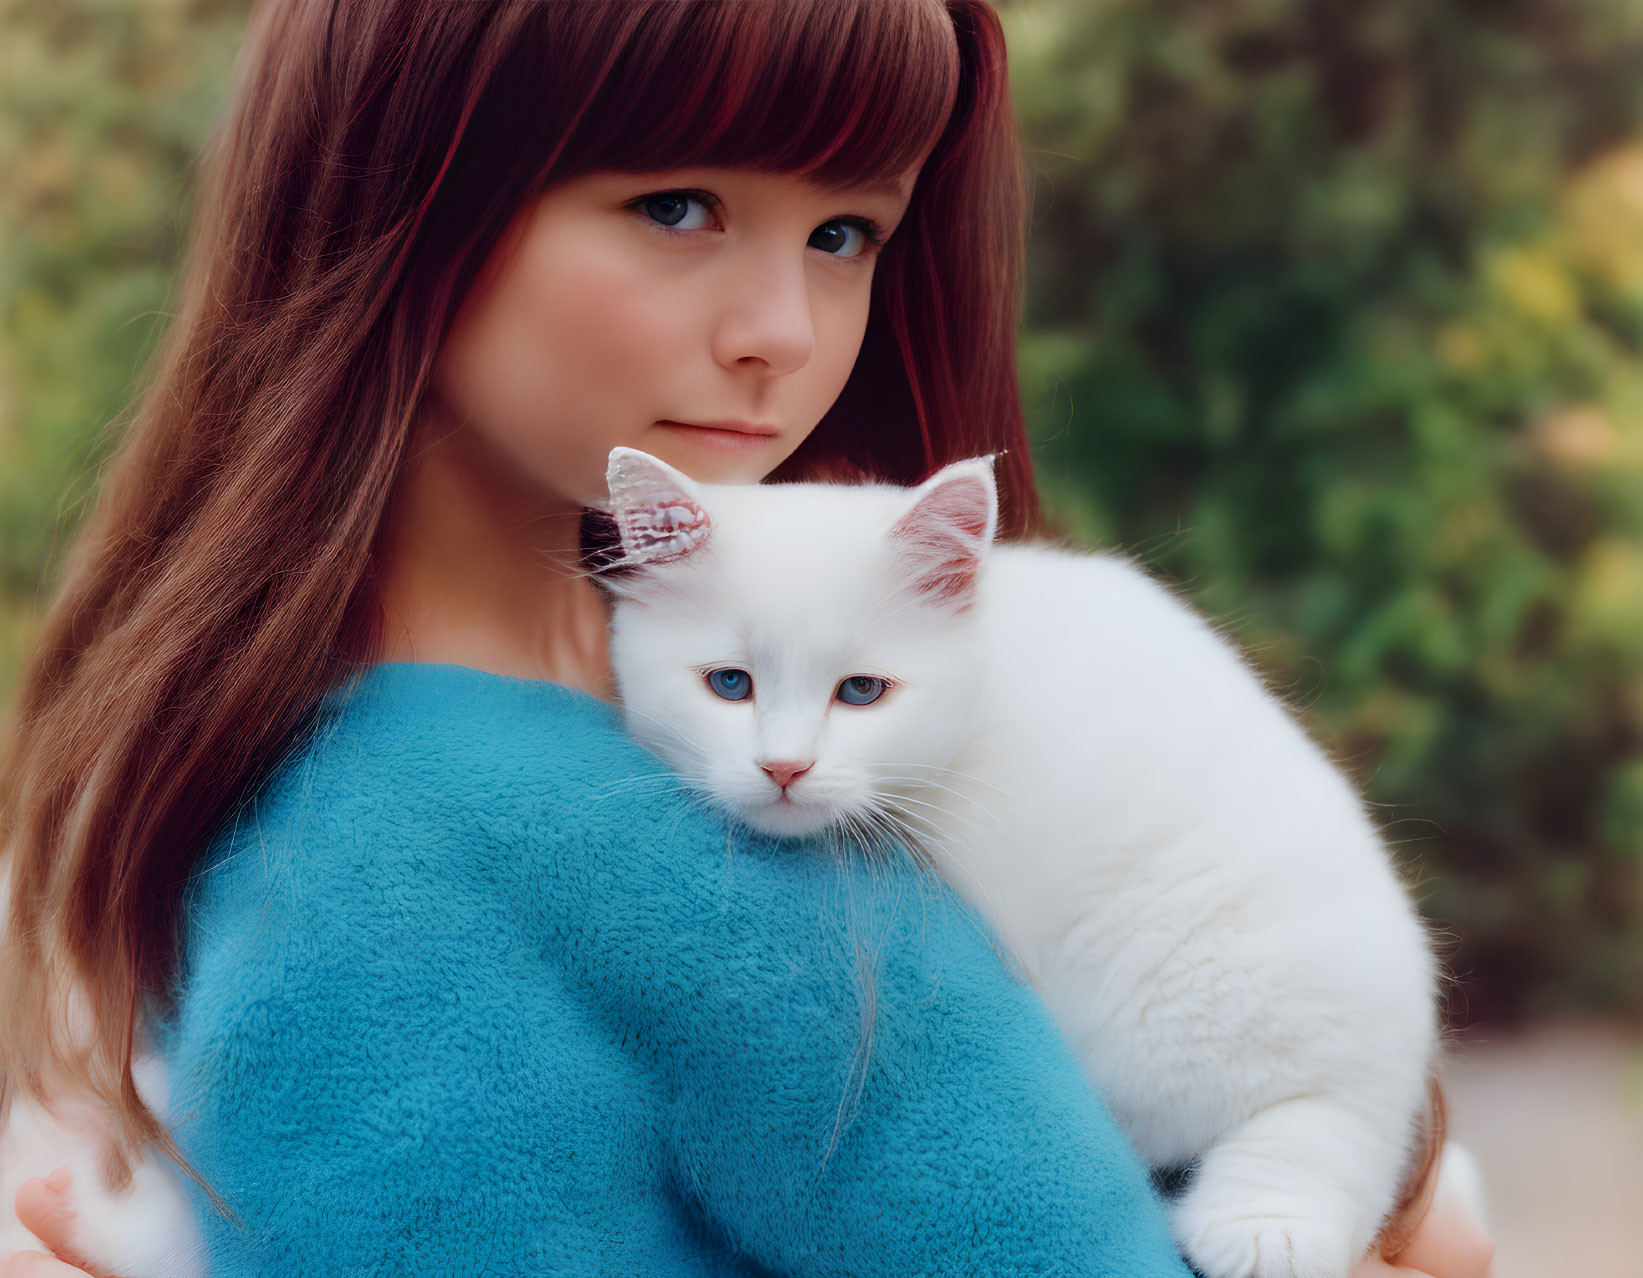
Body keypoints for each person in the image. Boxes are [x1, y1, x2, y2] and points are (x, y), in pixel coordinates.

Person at [0, 0, 1494, 1273]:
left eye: (846, 232)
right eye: (678, 206)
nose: (782, 326)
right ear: (407, 187)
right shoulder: (646, 850)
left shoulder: (246, 765)